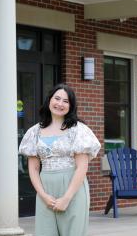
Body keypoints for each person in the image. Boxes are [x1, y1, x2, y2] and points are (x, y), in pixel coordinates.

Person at [19, 83, 101, 236]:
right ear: (49, 100)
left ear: (71, 106)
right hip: (45, 189)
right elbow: (34, 168)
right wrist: (43, 195)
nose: (60, 104)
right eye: (57, 98)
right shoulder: (34, 132)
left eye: (65, 101)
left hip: (73, 188)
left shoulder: (78, 130)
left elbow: (82, 167)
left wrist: (66, 198)